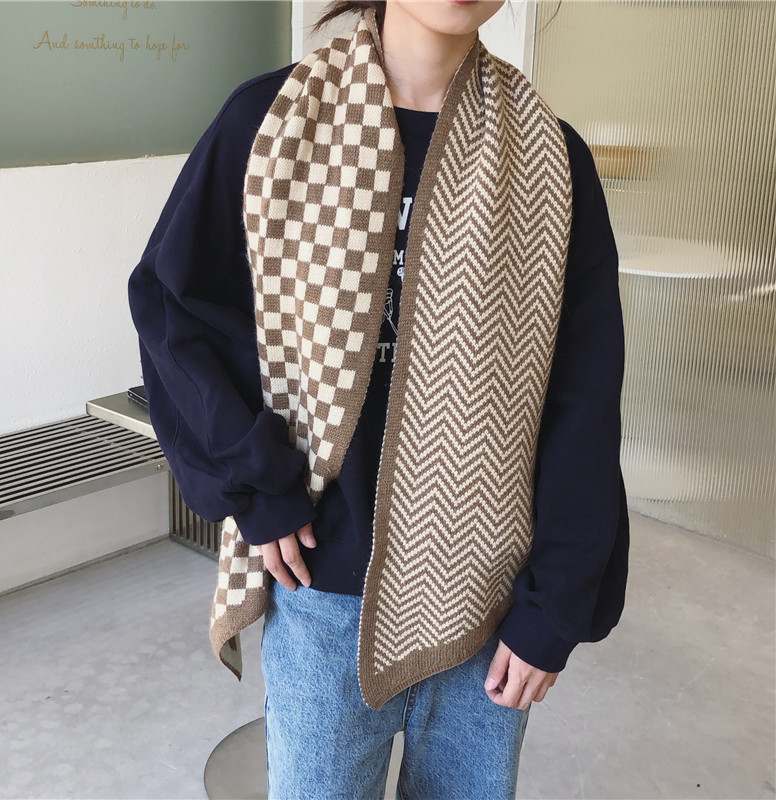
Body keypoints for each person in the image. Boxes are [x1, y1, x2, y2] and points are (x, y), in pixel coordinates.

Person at [128, 0, 629, 797]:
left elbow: (583, 392)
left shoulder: (552, 160)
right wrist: (256, 486)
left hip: (487, 602)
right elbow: (175, 311)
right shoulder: (267, 120)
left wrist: (556, 604)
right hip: (320, 585)